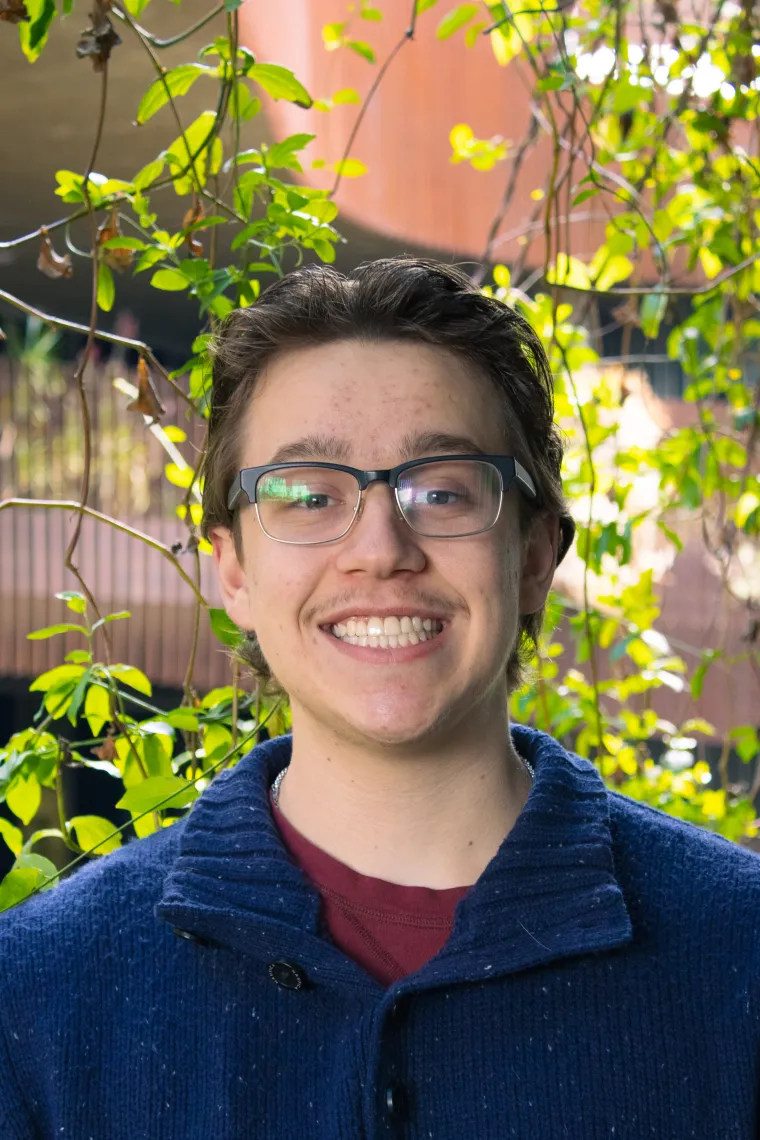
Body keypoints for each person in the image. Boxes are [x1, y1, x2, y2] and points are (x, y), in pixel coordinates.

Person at [1, 258, 759, 1140]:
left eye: (441, 491)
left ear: (534, 556)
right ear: (234, 569)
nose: (379, 550)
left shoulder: (738, 955)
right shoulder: (38, 997)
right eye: (307, 495)